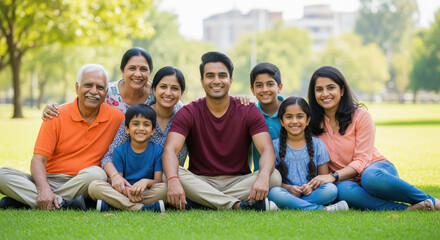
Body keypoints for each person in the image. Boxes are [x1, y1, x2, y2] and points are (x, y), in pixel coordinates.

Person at [307, 66, 439, 211]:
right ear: (314, 94)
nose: (325, 94)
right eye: (319, 89)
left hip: (375, 170)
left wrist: (333, 176)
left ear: (342, 90)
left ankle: (429, 200)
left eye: (331, 88)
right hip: (344, 180)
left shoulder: (360, 116)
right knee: (344, 192)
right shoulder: (311, 123)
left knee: (370, 179)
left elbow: (362, 161)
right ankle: (406, 209)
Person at [163, 51, 281, 211]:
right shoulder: (188, 112)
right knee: (169, 174)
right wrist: (173, 180)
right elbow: (170, 149)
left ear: (230, 80)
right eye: (210, 76)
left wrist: (263, 178)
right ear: (202, 80)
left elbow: (266, 149)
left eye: (222, 76)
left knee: (273, 176)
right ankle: (236, 205)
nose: (216, 81)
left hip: (239, 181)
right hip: (201, 181)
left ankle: (202, 202)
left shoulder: (248, 111)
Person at [0, 64, 125, 210]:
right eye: (88, 85)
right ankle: (64, 204)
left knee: (97, 174)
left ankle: (31, 201)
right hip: (51, 179)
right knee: (2, 174)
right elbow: (38, 160)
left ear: (106, 91)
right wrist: (43, 188)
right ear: (77, 87)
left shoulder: (117, 118)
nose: (93, 91)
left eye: (100, 87)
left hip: (84, 181)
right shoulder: (55, 114)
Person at [101, 66, 188, 197]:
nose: (168, 93)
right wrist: (115, 177)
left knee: (171, 179)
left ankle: (123, 202)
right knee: (95, 186)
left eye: (175, 88)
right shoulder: (138, 116)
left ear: (181, 93)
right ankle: (144, 204)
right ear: (154, 89)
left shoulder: (185, 119)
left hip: (163, 183)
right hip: (129, 182)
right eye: (163, 87)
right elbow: (108, 156)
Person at [41, 47, 172, 119]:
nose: (137, 74)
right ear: (122, 71)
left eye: (143, 69)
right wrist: (54, 109)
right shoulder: (107, 91)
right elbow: (81, 102)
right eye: (132, 68)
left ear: (150, 72)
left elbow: (178, 109)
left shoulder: (158, 93)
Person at [267, 97, 348, 211]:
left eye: (300, 116)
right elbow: (274, 181)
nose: (295, 121)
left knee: (331, 190)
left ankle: (289, 205)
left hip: (312, 193)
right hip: (287, 193)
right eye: (289, 117)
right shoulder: (274, 146)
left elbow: (323, 178)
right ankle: (322, 210)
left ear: (308, 120)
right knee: (274, 192)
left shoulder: (318, 144)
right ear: (281, 121)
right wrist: (289, 188)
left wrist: (311, 187)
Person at [88, 104, 166, 212]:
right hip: (123, 191)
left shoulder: (158, 151)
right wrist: (128, 191)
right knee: (94, 187)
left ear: (153, 130)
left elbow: (157, 180)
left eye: (146, 124)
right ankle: (141, 208)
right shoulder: (119, 151)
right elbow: (118, 182)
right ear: (127, 129)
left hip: (145, 192)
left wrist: (145, 182)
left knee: (165, 189)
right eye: (135, 124)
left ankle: (116, 205)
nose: (141, 128)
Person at [249, 62, 284, 171]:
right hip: (261, 176)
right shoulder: (250, 113)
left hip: (292, 178)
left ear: (280, 87)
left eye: (270, 84)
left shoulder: (291, 113)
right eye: (259, 85)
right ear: (252, 90)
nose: (264, 89)